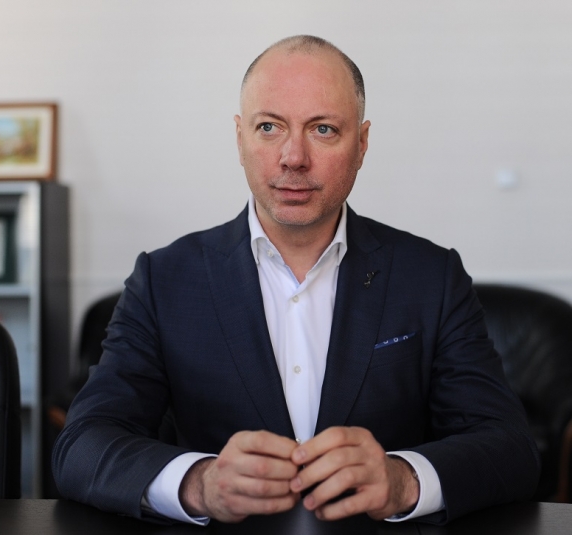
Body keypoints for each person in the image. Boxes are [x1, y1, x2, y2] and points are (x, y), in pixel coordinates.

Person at [52, 35, 540, 525]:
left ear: (362, 144)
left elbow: (511, 447)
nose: (293, 157)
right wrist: (201, 484)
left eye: (323, 129)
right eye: (269, 127)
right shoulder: (163, 281)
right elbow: (82, 445)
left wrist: (402, 480)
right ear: (239, 138)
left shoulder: (432, 277)